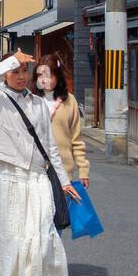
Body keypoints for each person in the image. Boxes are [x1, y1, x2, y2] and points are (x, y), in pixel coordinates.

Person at [0, 49, 81, 276]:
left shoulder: (39, 104)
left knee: (42, 233)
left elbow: (50, 146)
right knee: (10, 233)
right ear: (6, 72)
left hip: (37, 176)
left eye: (25, 71)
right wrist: (13, 59)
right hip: (7, 175)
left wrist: (63, 181)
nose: (22, 75)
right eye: (15, 71)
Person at [34, 53, 89, 188]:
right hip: (34, 172)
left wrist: (83, 170)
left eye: (49, 76)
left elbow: (76, 139)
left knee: (62, 209)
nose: (44, 80)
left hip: (63, 172)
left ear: (58, 77)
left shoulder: (69, 101)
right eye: (40, 75)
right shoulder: (30, 99)